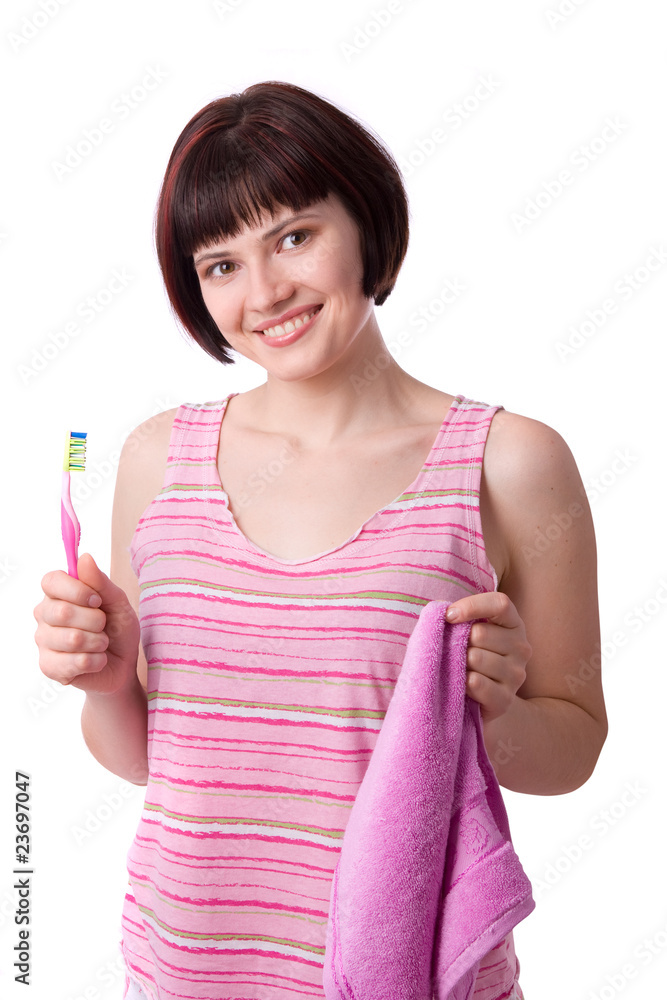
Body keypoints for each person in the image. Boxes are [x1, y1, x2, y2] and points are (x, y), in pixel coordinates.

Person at [34, 80, 608, 1000]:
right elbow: (150, 756)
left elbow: (573, 751)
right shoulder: (157, 460)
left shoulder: (508, 462)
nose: (264, 293)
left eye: (294, 236)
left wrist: (491, 714)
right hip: (185, 971)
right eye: (219, 265)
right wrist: (105, 684)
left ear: (365, 223)